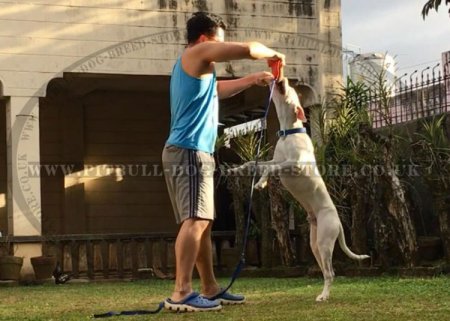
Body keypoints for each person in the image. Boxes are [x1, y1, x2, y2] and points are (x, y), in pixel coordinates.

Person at [162, 12, 285, 312]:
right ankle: (181, 292)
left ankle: (209, 288)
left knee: (202, 222)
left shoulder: (194, 68)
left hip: (191, 151)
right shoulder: (200, 52)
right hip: (189, 151)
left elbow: (215, 92)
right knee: (196, 219)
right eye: (217, 40)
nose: (219, 47)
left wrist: (253, 79)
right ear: (204, 39)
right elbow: (247, 49)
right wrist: (273, 54)